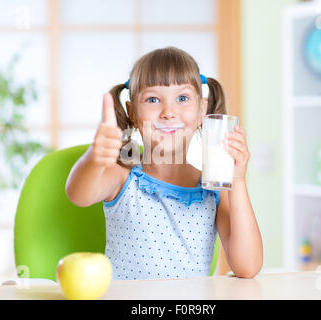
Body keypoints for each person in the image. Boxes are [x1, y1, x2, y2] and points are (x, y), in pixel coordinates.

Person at [66, 46, 263, 280]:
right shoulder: (122, 176)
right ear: (132, 112)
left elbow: (247, 267)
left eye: (182, 98)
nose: (169, 112)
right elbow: (78, 195)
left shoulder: (213, 187)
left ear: (202, 110)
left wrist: (238, 179)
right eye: (152, 99)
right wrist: (94, 158)